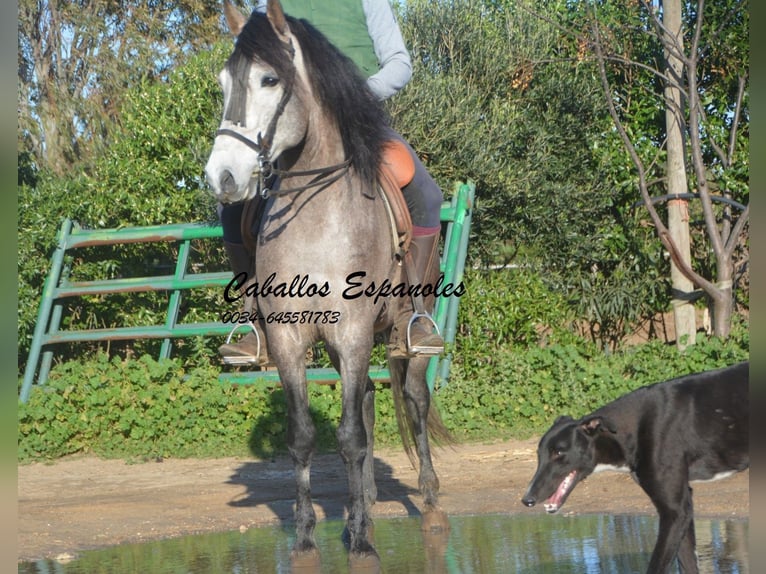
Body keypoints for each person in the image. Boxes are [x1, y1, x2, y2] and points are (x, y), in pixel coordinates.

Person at [218, 0, 445, 363]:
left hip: (358, 120)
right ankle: (257, 321)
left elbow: (399, 64)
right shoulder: (268, 5)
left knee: (426, 195)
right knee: (232, 208)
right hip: (292, 126)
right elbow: (249, 66)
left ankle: (412, 315)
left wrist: (350, 97)